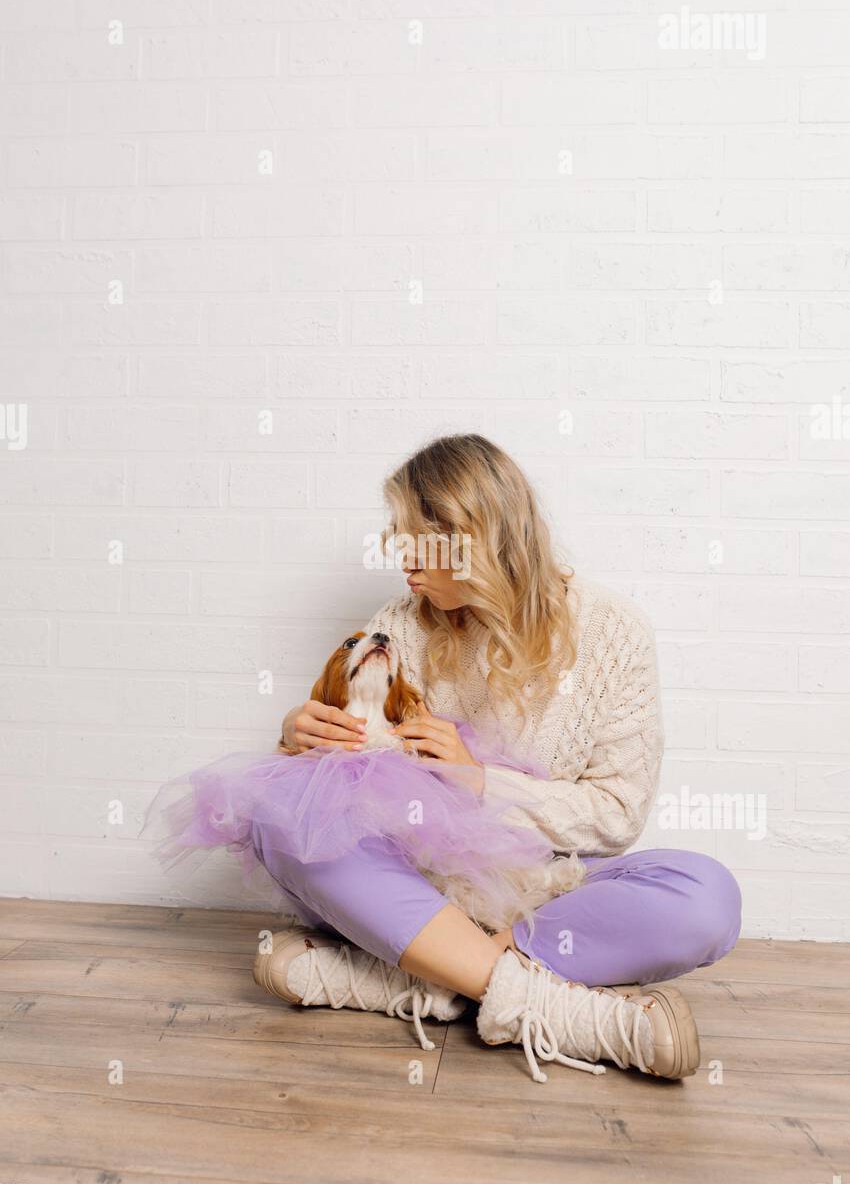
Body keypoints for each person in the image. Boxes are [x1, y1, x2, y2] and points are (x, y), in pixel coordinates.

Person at [260, 434, 742, 1083]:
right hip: (421, 886)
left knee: (706, 899)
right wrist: (296, 735)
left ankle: (413, 982)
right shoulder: (400, 624)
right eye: (394, 536)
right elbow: (348, 778)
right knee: (277, 816)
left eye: (411, 539)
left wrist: (481, 783)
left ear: (471, 536)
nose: (396, 555)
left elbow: (617, 816)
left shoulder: (613, 631)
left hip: (547, 892)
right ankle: (572, 1016)